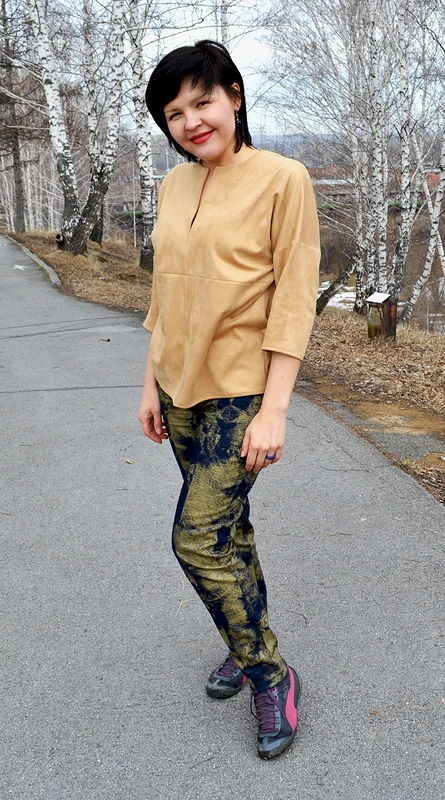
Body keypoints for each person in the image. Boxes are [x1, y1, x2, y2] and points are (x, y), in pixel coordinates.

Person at [138, 40, 320, 760]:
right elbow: (164, 295)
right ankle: (243, 641)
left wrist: (275, 410)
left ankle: (270, 673)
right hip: (179, 388)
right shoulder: (172, 186)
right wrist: (148, 385)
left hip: (241, 391)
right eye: (174, 113)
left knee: (196, 537)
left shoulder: (283, 178)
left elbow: (294, 299)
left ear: (234, 97)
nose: (190, 121)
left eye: (202, 101)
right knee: (228, 530)